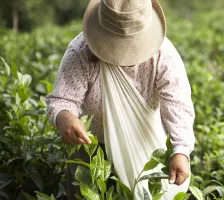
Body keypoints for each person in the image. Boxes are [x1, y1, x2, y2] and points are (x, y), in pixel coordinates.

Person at [46, 0, 195, 199]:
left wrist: (180, 151)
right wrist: (65, 117)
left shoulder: (163, 56)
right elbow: (62, 99)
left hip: (143, 147)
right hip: (91, 149)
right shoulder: (81, 52)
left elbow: (178, 105)